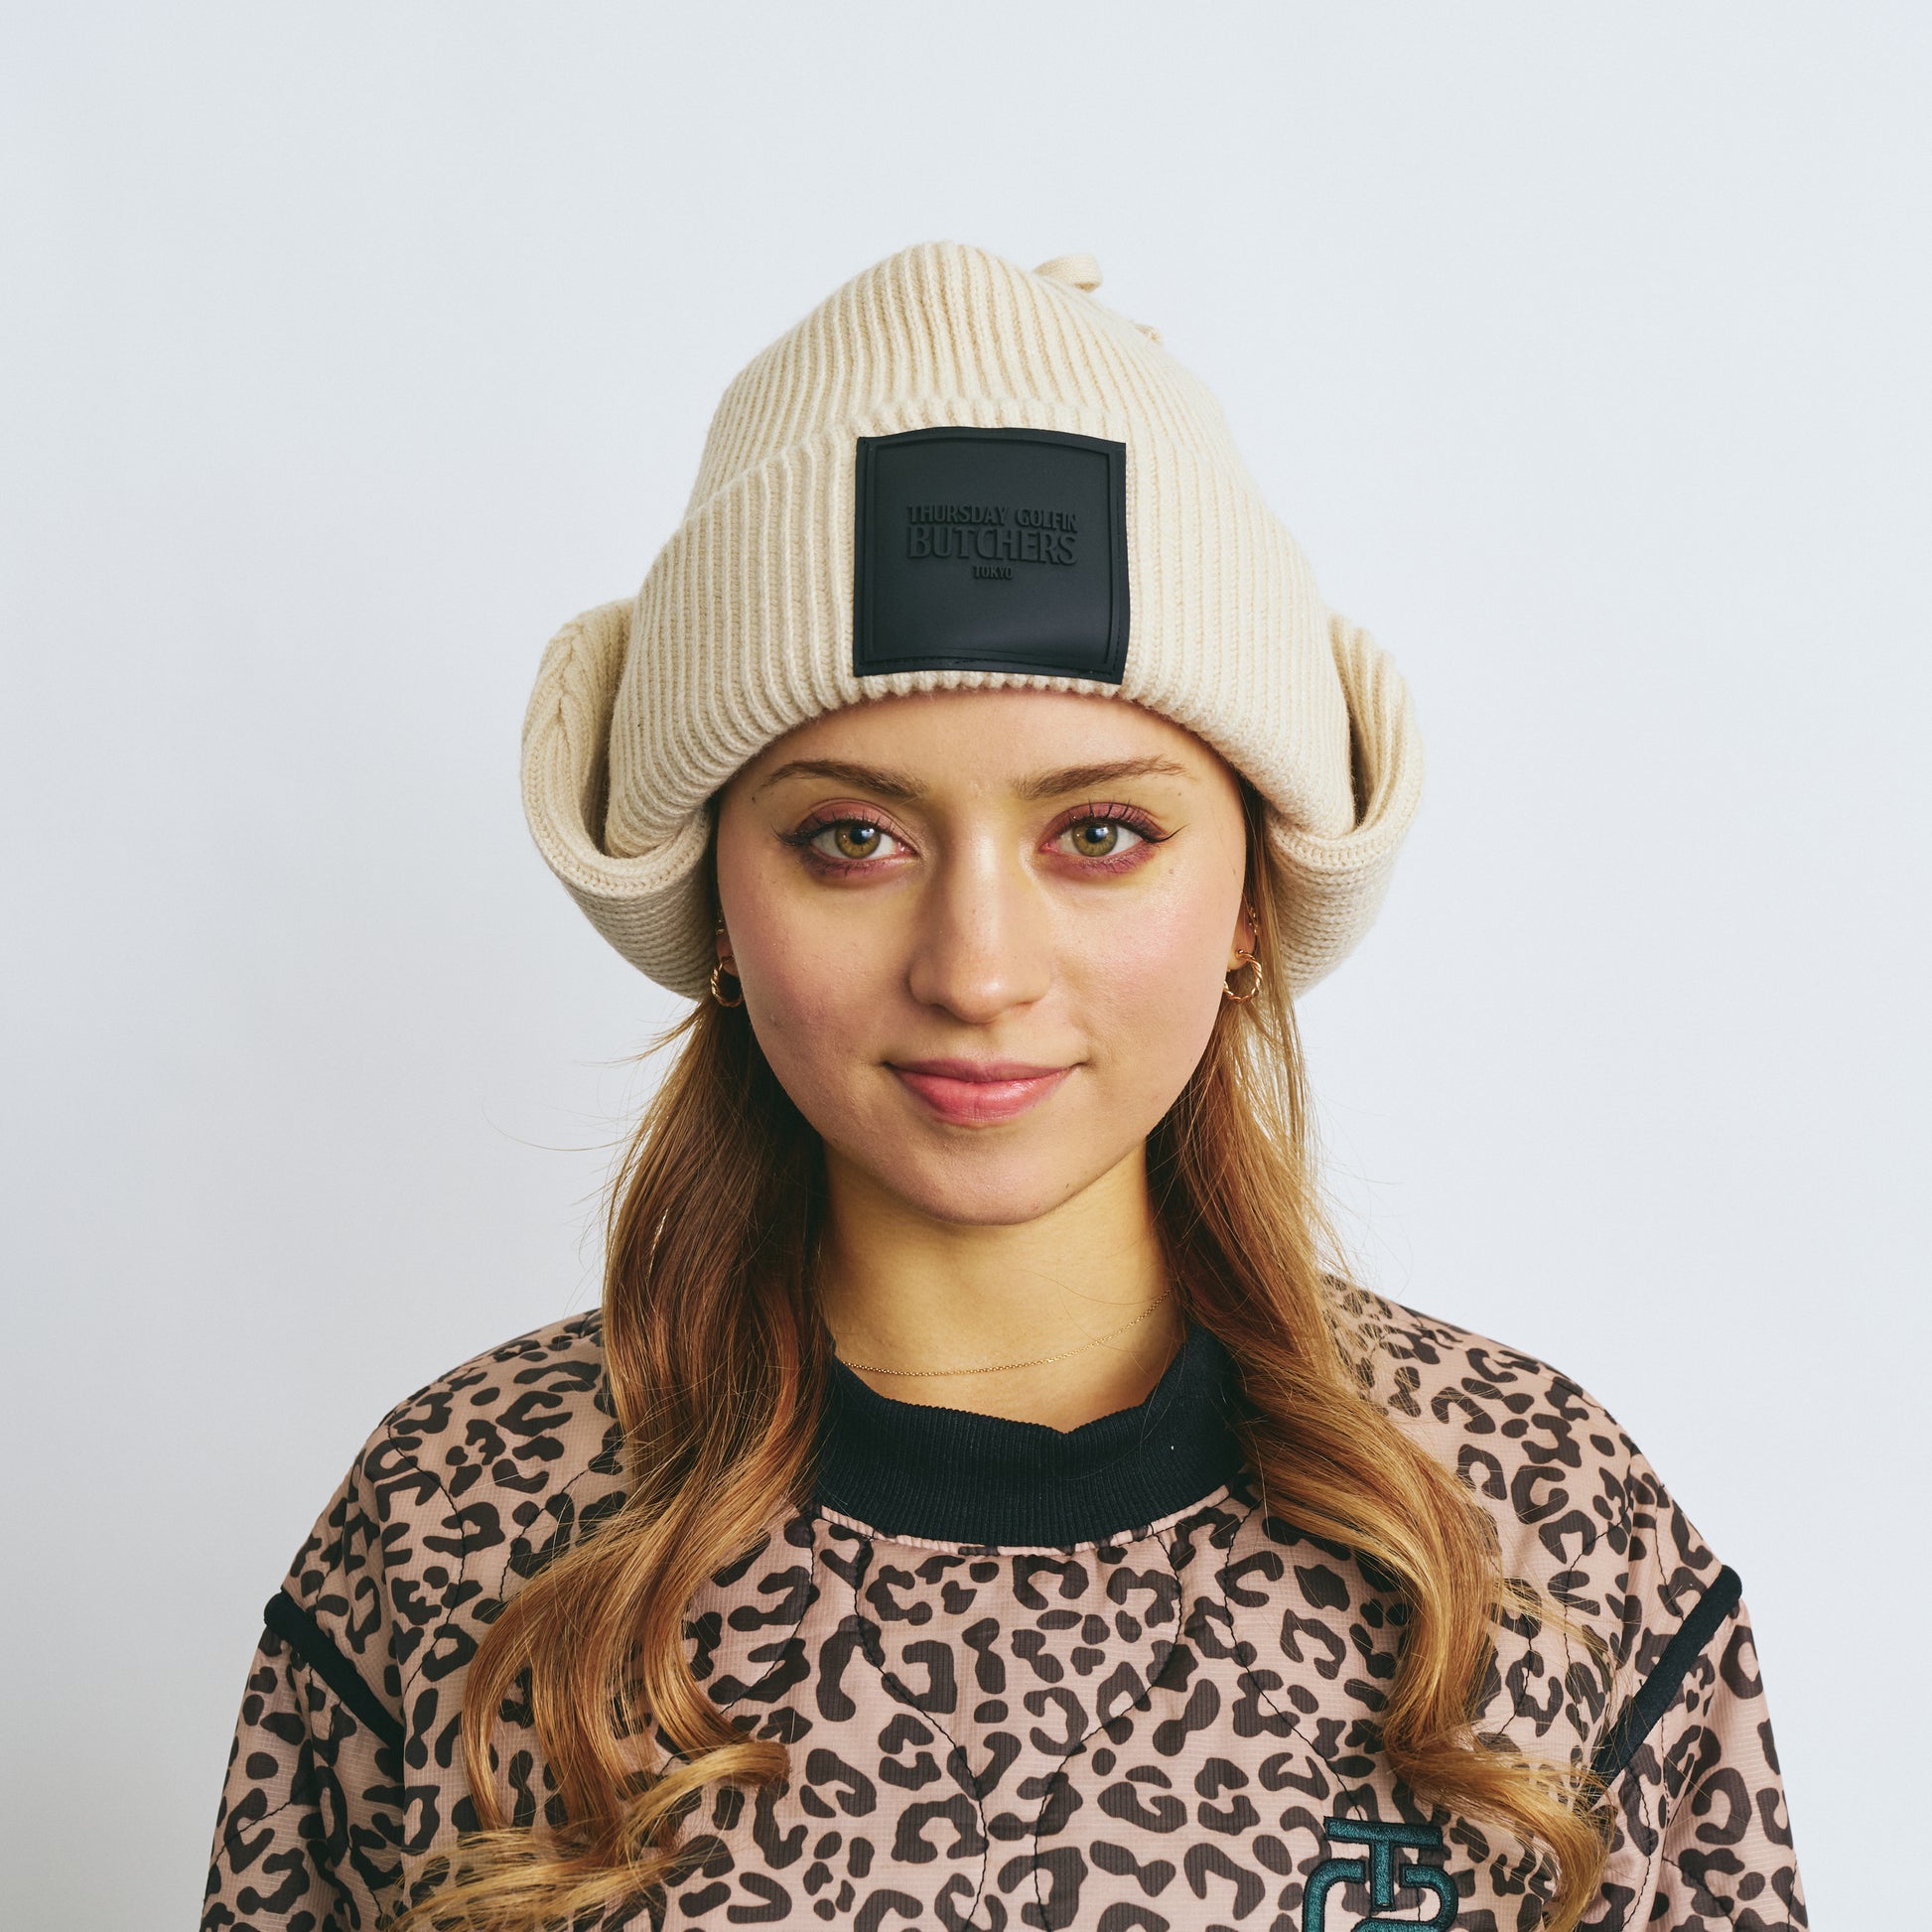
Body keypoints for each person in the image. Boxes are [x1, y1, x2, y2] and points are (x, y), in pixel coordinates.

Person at [203, 243, 1804, 1932]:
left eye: (1099, 831)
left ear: (1249, 890)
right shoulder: (453, 1530)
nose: (976, 970)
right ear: (717, 895)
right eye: (851, 836)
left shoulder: (1541, 1534)